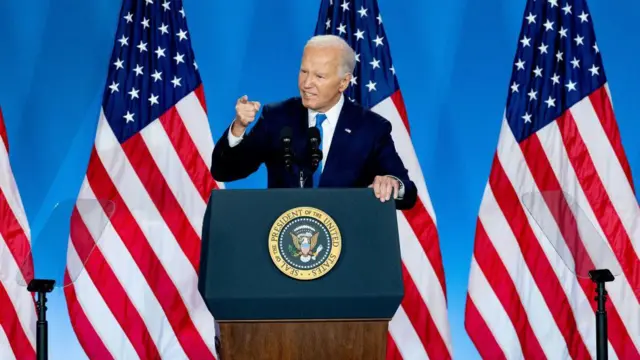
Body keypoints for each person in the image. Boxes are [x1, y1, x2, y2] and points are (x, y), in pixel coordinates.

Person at [210, 34, 417, 210]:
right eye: (304, 71)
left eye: (319, 76)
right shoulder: (277, 117)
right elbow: (225, 171)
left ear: (343, 82)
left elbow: (407, 192)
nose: (307, 83)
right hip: (283, 243)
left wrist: (392, 184)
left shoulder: (371, 128)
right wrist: (239, 128)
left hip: (346, 245)